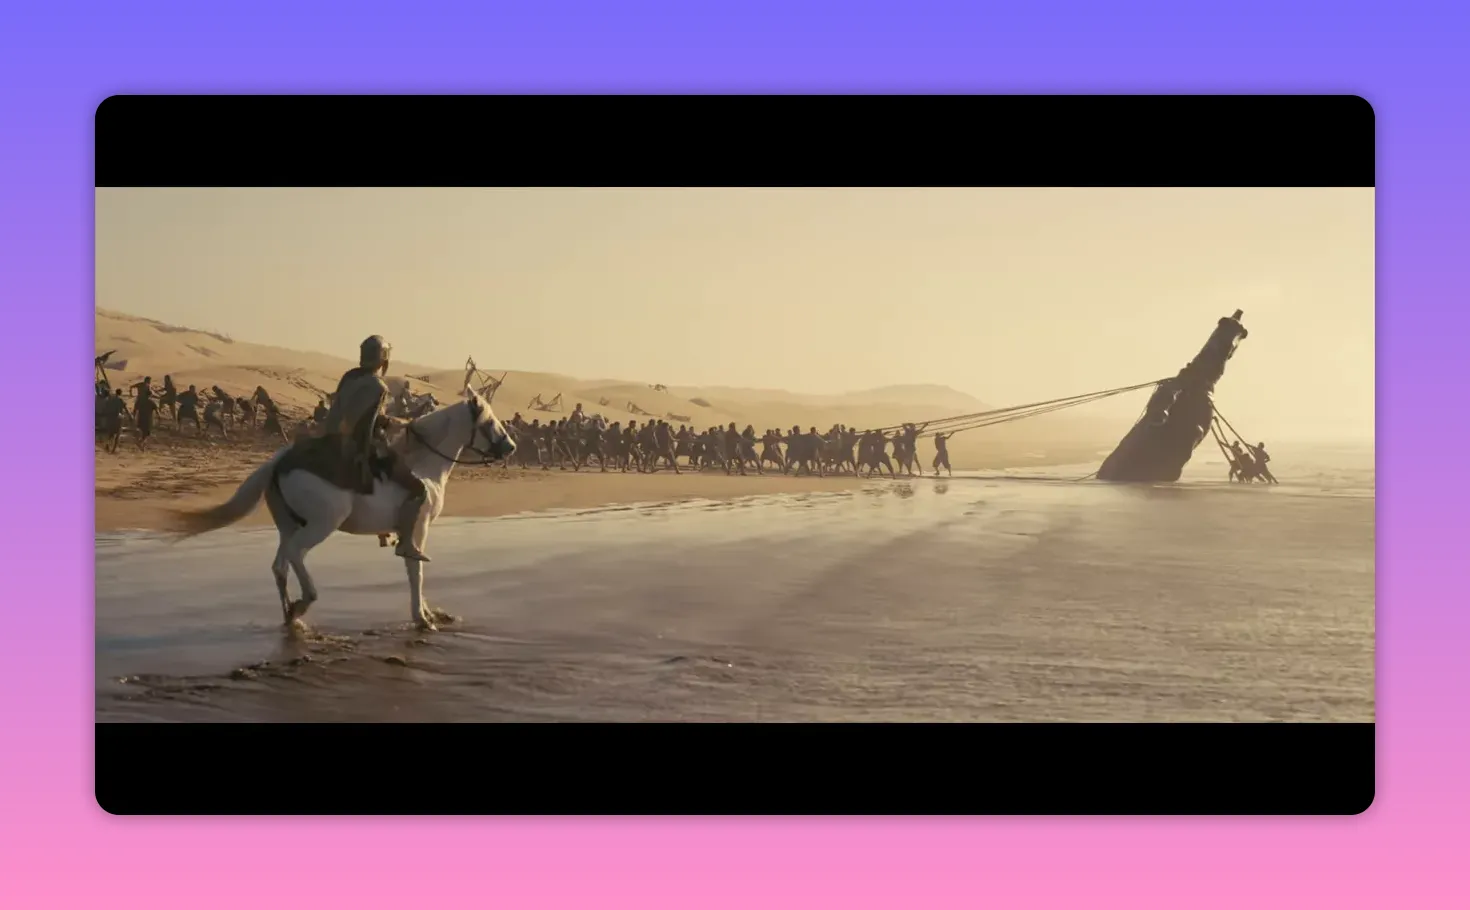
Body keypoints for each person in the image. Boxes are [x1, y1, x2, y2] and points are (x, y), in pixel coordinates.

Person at [320, 334, 432, 562]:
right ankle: (406, 544)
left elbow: (354, 413)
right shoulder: (378, 386)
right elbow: (368, 425)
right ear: (384, 360)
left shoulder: (349, 377)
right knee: (417, 489)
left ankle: (383, 531)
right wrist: (396, 426)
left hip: (331, 442)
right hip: (359, 446)